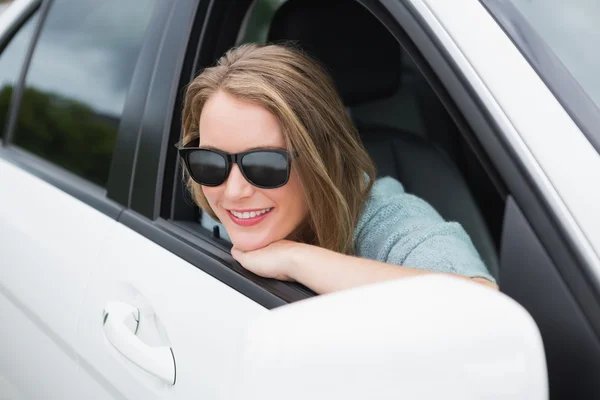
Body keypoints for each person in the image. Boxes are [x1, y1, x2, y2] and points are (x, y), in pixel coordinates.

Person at [178, 43, 497, 294]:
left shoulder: (385, 219)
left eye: (264, 164)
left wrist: (296, 260)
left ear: (322, 158)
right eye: (210, 163)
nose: (233, 192)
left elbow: (483, 309)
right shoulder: (206, 204)